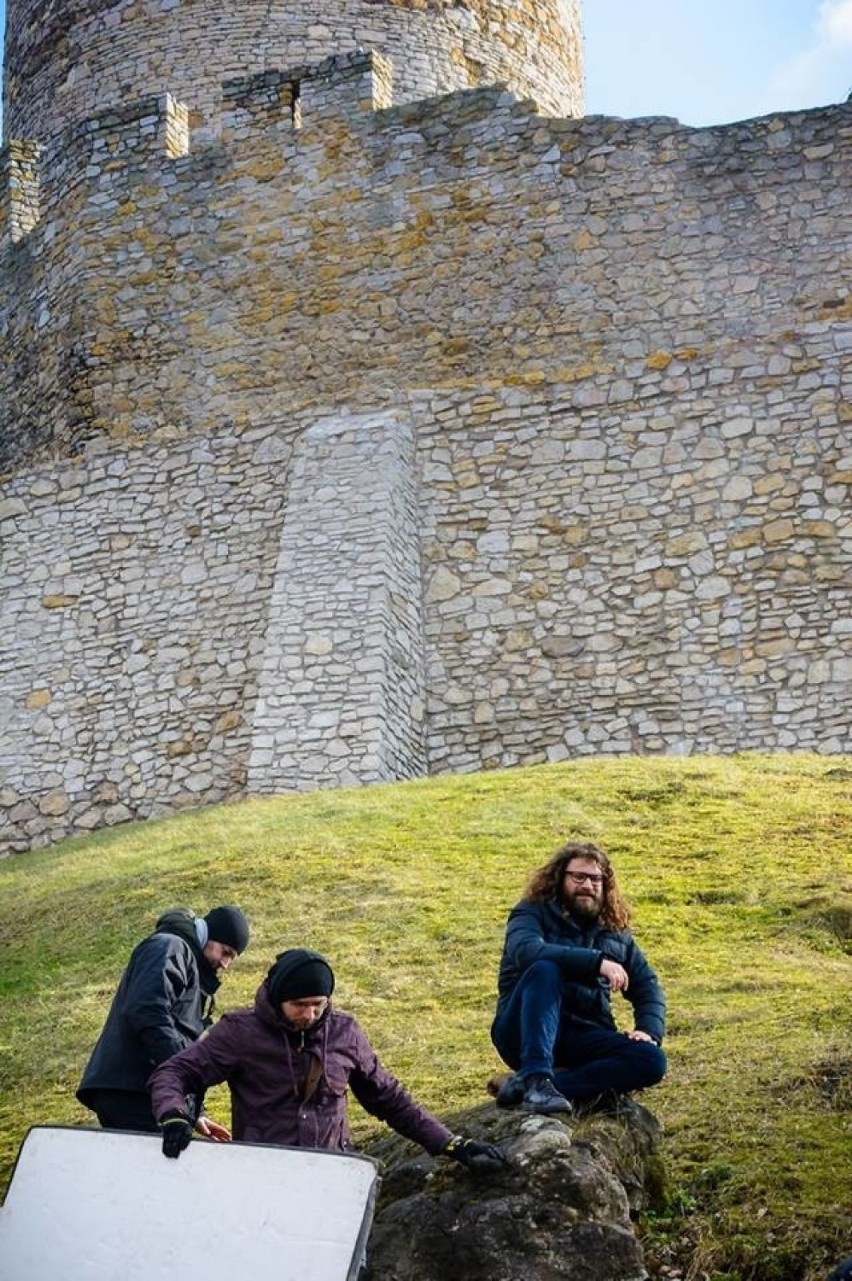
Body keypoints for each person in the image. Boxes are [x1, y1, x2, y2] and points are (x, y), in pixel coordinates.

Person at [149, 947, 505, 1172]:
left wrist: (451, 1144)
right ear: (276, 998)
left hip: (335, 1173)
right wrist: (174, 1115)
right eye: (299, 1005)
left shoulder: (345, 1033)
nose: (309, 1014)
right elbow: (175, 1072)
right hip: (262, 1172)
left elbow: (390, 1098)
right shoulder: (240, 1032)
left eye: (318, 1004)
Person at [490, 841, 666, 1116]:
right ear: (560, 878)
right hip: (524, 1031)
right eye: (579, 877)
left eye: (596, 879)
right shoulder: (531, 912)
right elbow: (526, 951)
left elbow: (647, 986)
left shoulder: (615, 931)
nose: (587, 885)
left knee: (651, 1060)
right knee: (545, 969)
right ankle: (536, 1077)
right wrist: (596, 963)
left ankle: (535, 1086)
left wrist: (649, 1031)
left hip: (584, 1033)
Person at [77, 904, 250, 1133]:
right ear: (209, 934)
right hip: (135, 1091)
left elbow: (177, 1034)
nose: (225, 964)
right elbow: (148, 1011)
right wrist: (181, 1074)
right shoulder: (170, 946)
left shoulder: (185, 959)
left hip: (144, 1090)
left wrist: (195, 1112)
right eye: (225, 951)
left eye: (232, 958)